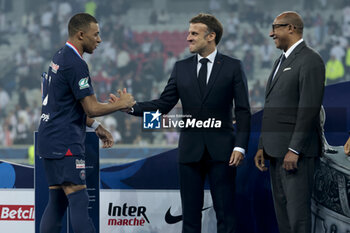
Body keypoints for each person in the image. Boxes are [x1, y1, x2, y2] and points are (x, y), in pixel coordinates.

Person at [117, 13, 251, 233]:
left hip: (224, 153)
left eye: (194, 33)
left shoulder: (233, 66)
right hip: (190, 153)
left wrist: (240, 146)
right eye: (189, 33)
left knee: (226, 215)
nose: (188, 38)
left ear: (211, 36)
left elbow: (243, 111)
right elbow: (163, 105)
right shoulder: (181, 68)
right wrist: (131, 108)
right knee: (189, 218)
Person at [37, 13, 135, 233]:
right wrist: (122, 103)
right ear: (81, 35)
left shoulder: (60, 55)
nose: (99, 40)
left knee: (58, 200)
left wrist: (96, 127)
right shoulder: (76, 64)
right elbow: (91, 107)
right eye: (96, 34)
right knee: (79, 200)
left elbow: (67, 105)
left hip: (50, 138)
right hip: (65, 143)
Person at [254, 11, 325, 233]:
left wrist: (294, 148)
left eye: (276, 27)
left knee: (298, 219)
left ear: (291, 28)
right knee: (283, 218)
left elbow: (309, 109)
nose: (271, 33)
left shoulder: (310, 60)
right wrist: (263, 145)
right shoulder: (279, 61)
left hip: (296, 156)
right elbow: (273, 107)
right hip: (275, 153)